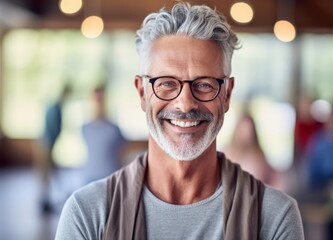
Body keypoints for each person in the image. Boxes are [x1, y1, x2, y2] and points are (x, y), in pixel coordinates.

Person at [55, 3, 304, 239]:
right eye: (166, 83)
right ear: (142, 93)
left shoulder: (275, 217)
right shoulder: (87, 214)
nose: (185, 104)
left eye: (204, 85)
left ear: (227, 94)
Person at [80, 84, 127, 184]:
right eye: (95, 99)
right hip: (90, 179)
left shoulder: (114, 129)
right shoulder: (85, 128)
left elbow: (122, 153)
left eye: (100, 99)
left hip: (110, 179)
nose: (98, 103)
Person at [223, 111, 283, 189]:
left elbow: (275, 179)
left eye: (249, 130)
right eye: (244, 129)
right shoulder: (227, 153)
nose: (246, 134)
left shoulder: (259, 156)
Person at [37, 85, 71, 213]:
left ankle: (48, 198)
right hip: (46, 144)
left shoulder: (56, 107)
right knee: (46, 172)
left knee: (50, 171)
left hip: (47, 144)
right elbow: (52, 128)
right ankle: (45, 199)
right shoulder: (55, 108)